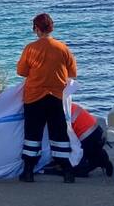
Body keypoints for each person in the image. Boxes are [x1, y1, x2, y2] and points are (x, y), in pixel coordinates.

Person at [16, 12, 77, 183]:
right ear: (51, 28)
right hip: (55, 97)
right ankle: (67, 170)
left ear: (36, 29)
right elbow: (73, 73)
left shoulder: (31, 48)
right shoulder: (63, 48)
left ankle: (28, 170)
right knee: (58, 134)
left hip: (34, 97)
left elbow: (21, 71)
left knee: (32, 134)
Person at [70, 103, 113, 178]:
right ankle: (101, 157)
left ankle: (99, 161)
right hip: (96, 130)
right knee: (92, 152)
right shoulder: (69, 105)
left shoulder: (60, 111)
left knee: (79, 170)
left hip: (87, 137)